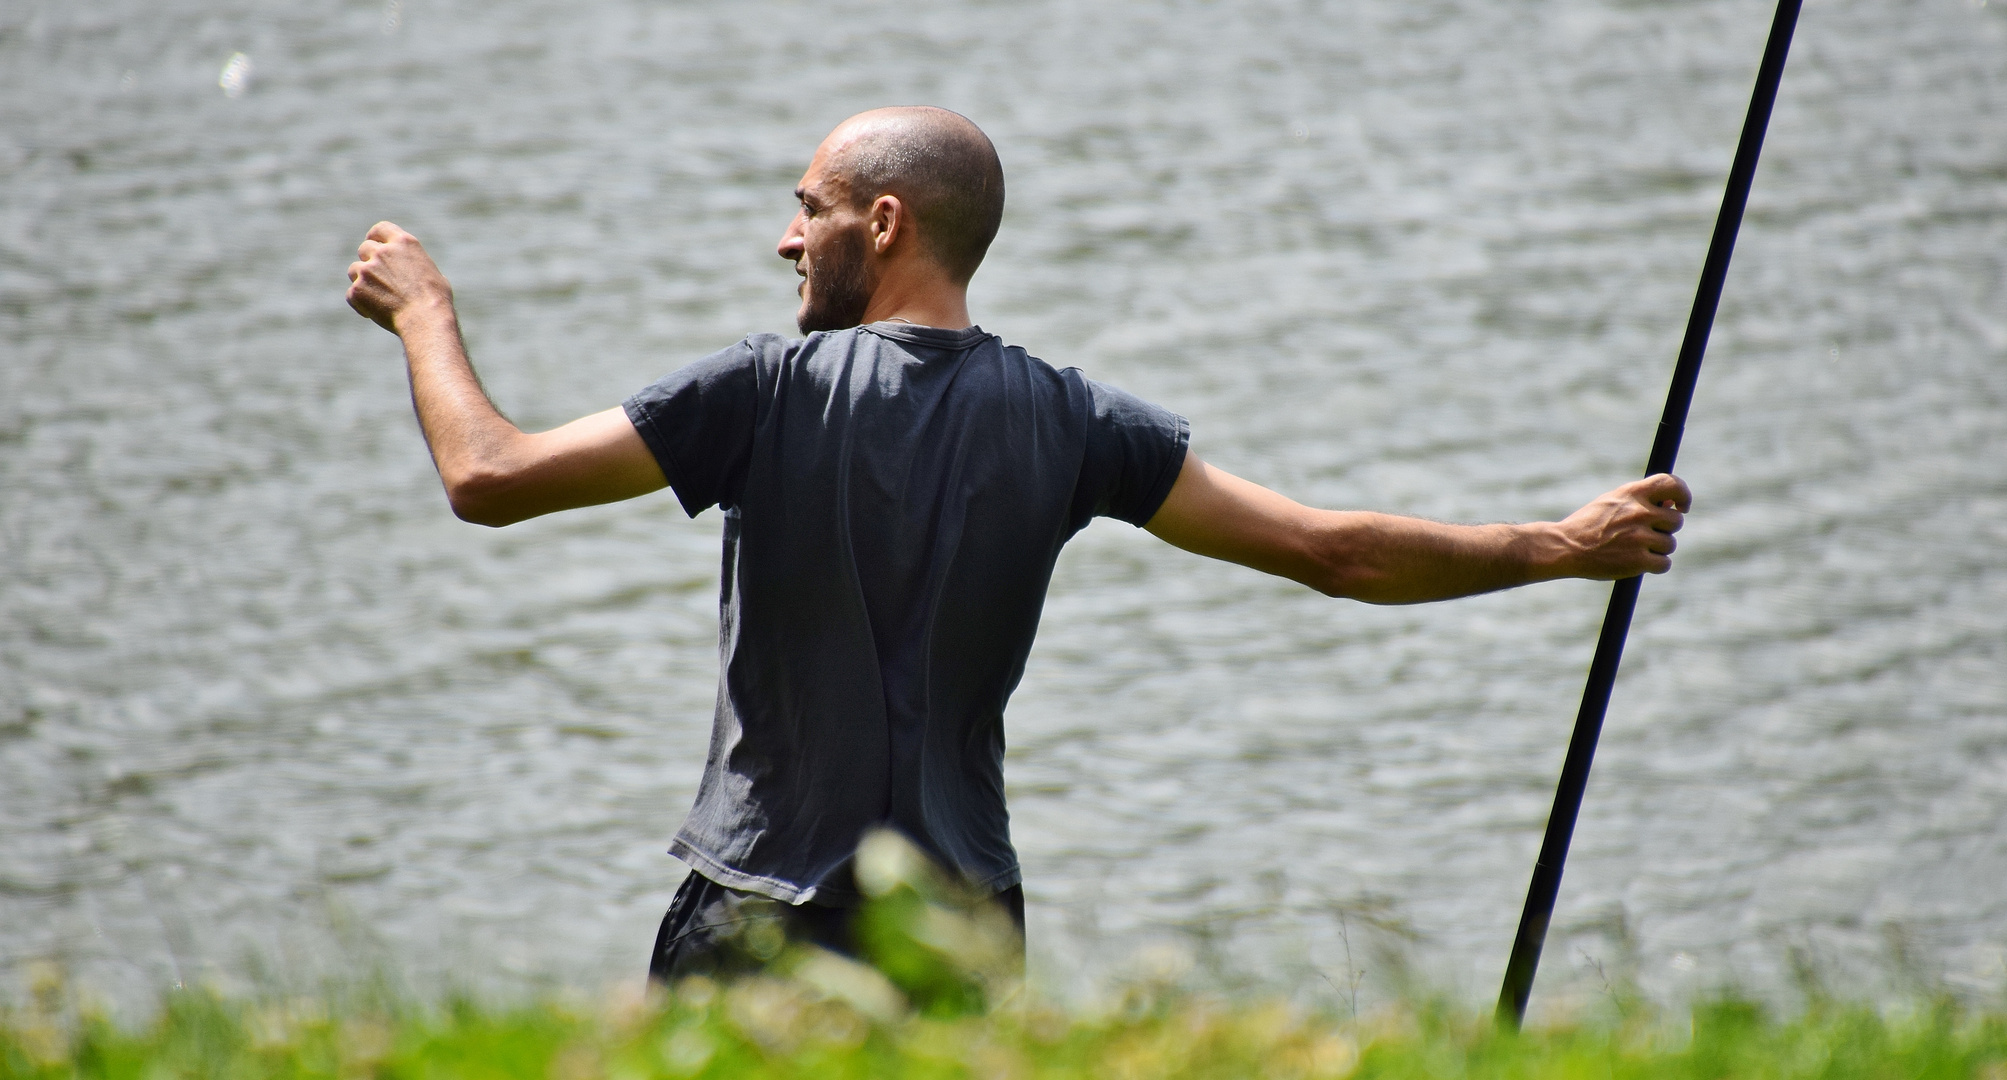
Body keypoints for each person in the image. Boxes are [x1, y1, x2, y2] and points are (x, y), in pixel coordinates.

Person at [344, 106, 1689, 983]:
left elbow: (490, 475)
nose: (783, 237)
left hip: (758, 910)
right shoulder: (1072, 419)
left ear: (884, 223)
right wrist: (1559, 545)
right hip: (963, 926)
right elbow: (1332, 551)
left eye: (805, 207)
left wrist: (426, 315)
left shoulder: (761, 392)